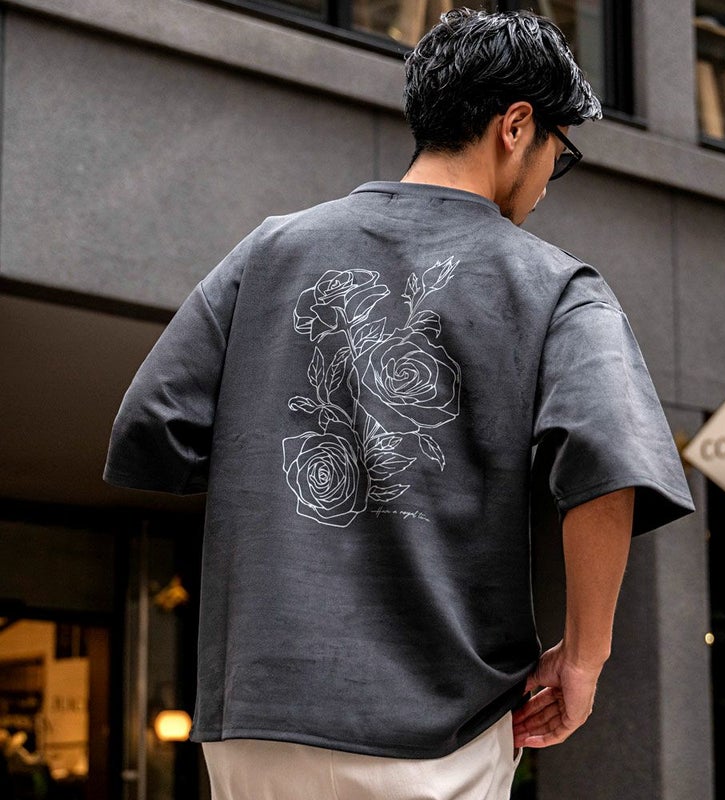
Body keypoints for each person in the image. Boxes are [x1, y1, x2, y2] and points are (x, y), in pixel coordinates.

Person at [104, 9, 694, 799]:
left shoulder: (272, 250)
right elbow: (606, 458)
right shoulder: (554, 287)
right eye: (560, 151)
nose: (549, 181)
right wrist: (584, 659)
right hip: (437, 725)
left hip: (257, 717)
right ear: (516, 126)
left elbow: (153, 425)